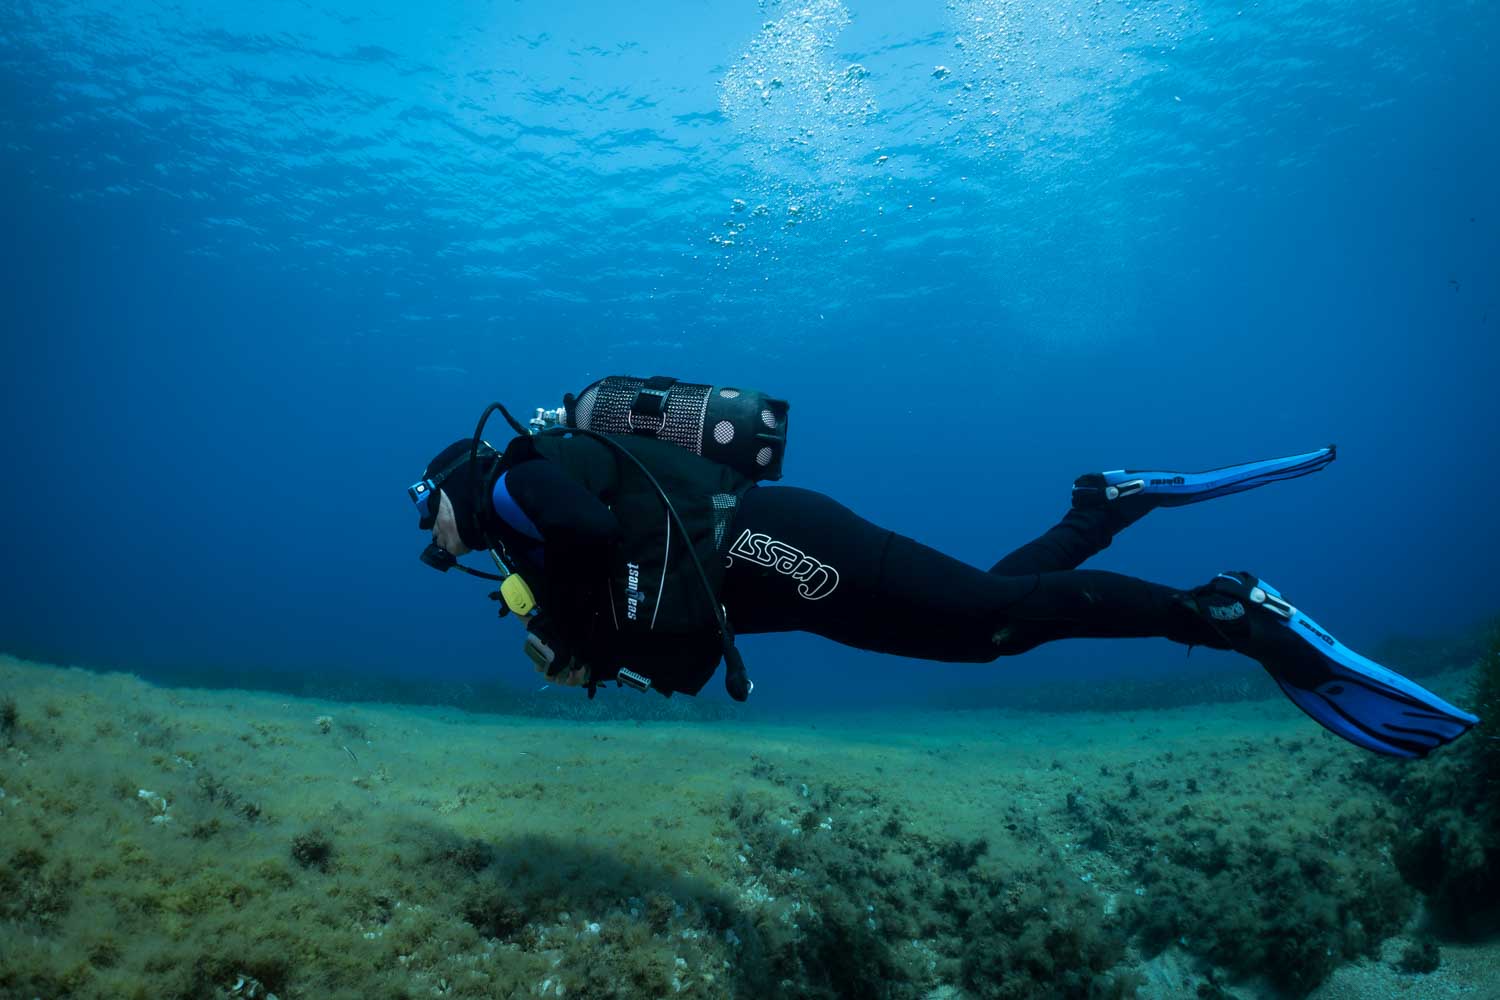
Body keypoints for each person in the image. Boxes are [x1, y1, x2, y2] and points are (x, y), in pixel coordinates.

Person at [408, 376, 1478, 760]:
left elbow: (596, 547)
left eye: (430, 520)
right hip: (768, 560)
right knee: (984, 621)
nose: (436, 543)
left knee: (986, 622)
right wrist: (564, 626)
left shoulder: (509, 485)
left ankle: (1227, 612)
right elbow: (614, 564)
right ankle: (1102, 508)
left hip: (771, 544)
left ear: (452, 485)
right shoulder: (523, 509)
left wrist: (548, 613)